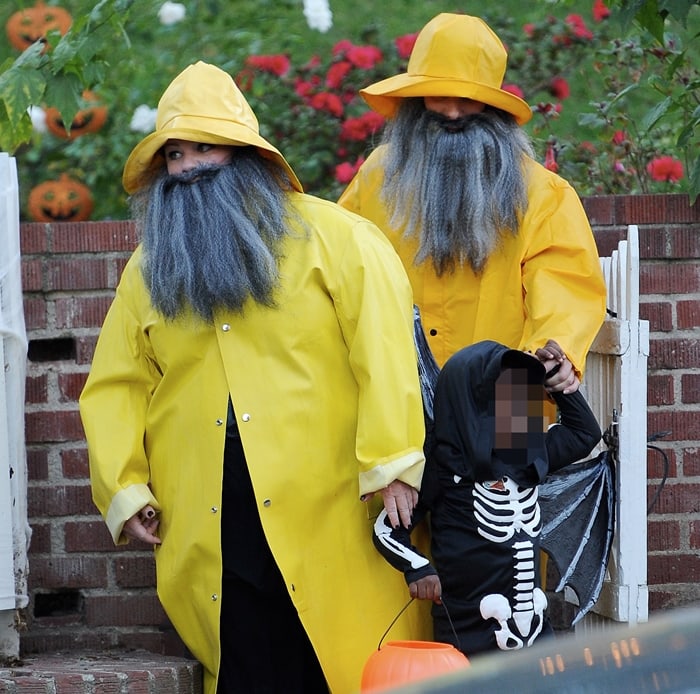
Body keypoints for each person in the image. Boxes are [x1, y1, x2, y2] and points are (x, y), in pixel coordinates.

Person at [79, 61, 432, 694]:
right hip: (210, 514)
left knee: (342, 660)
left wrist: (395, 462)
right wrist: (124, 485)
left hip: (332, 506)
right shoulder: (149, 268)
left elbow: (384, 354)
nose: (187, 167)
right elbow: (117, 382)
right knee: (245, 662)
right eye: (175, 155)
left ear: (244, 153)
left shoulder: (340, 240)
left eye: (203, 147)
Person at [338, 13, 607, 392]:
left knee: (515, 450)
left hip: (510, 391)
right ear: (415, 101)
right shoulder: (378, 176)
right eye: (439, 95)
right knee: (404, 453)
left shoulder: (543, 192)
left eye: (467, 99)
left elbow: (566, 282)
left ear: (492, 108)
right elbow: (341, 262)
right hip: (398, 391)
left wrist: (553, 350)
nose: (451, 112)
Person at [372, 340, 602, 657]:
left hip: (536, 633)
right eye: (503, 395)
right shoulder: (440, 466)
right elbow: (387, 528)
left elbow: (585, 434)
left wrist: (559, 383)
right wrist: (418, 568)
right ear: (471, 403)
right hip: (468, 636)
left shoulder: (530, 456)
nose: (514, 405)